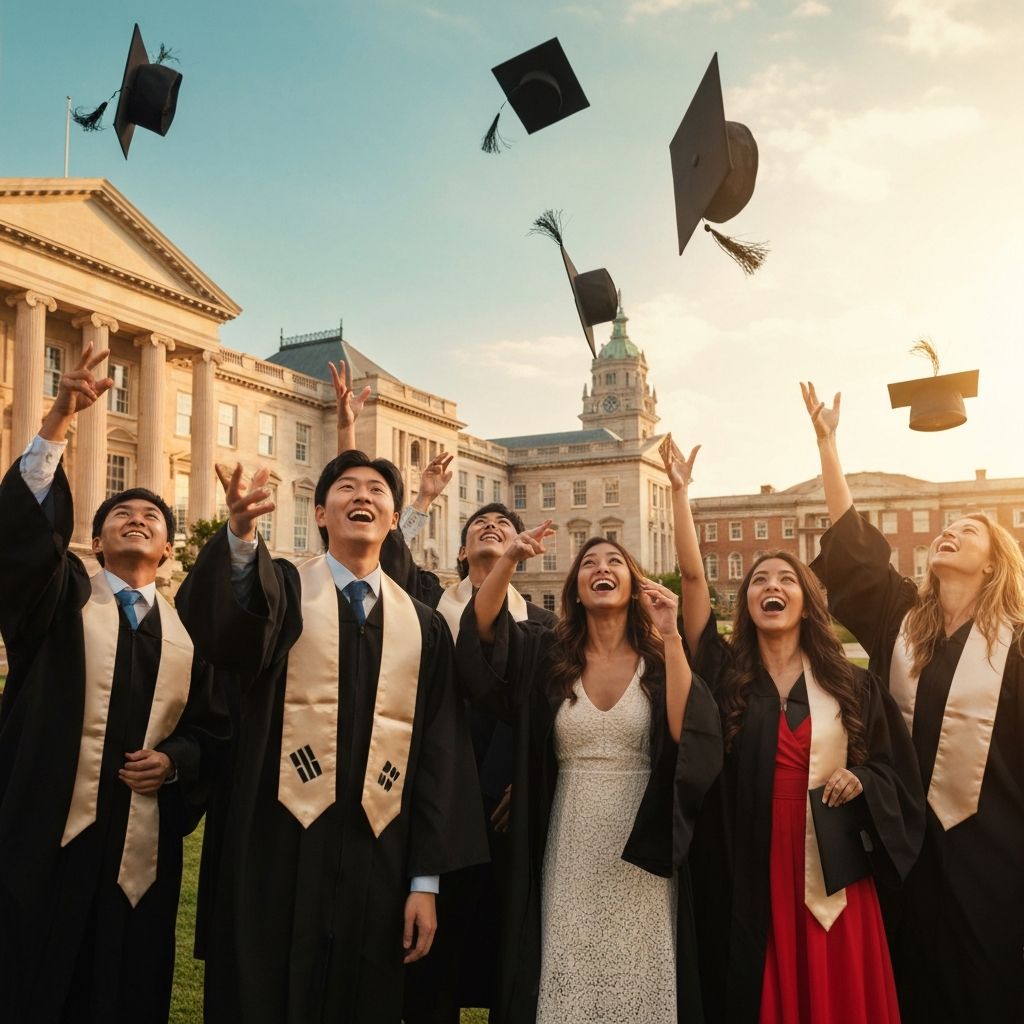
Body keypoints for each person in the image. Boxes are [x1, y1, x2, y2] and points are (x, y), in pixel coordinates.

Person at [176, 449, 488, 1024]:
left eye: (377, 489)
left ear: (395, 519)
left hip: (381, 863)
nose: (362, 496)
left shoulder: (422, 628)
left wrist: (425, 882)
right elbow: (231, 634)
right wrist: (242, 535)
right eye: (346, 487)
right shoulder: (285, 595)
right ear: (320, 513)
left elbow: (441, 759)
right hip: (275, 848)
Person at [0, 344, 229, 1024]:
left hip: (139, 859)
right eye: (119, 515)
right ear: (95, 544)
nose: (137, 517)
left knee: (124, 991)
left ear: (166, 551)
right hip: (44, 835)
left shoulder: (191, 638)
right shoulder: (59, 599)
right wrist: (58, 424)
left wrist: (177, 761)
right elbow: (20, 541)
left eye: (153, 518)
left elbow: (215, 731)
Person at [661, 434, 923, 1024]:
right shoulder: (726, 674)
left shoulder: (849, 686)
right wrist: (681, 494)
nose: (771, 587)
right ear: (746, 601)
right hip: (752, 857)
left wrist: (862, 780)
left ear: (807, 600)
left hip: (832, 866)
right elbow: (693, 580)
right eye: (758, 581)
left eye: (786, 580)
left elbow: (892, 771)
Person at [802, 382, 1024, 1022]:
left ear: (993, 563)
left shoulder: (1016, 643)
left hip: (993, 850)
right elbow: (853, 550)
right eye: (946, 530)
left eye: (967, 531)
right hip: (903, 841)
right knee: (908, 983)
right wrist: (829, 446)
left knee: (985, 987)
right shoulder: (902, 622)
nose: (949, 534)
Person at [456, 524, 722, 1024]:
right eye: (591, 563)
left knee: (641, 971)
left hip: (641, 838)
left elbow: (688, 731)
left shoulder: (658, 659)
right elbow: (484, 629)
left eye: (615, 562)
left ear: (634, 582)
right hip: (569, 836)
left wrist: (670, 635)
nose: (602, 568)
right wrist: (509, 557)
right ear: (576, 586)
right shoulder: (546, 654)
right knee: (568, 965)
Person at [398, 503, 558, 1024]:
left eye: (505, 525)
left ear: (524, 548)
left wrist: (523, 778)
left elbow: (551, 714)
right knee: (432, 957)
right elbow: (389, 550)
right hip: (435, 798)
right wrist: (419, 504)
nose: (492, 528)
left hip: (505, 805)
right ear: (461, 551)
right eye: (477, 527)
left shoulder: (545, 625)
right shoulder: (425, 609)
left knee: (503, 948)